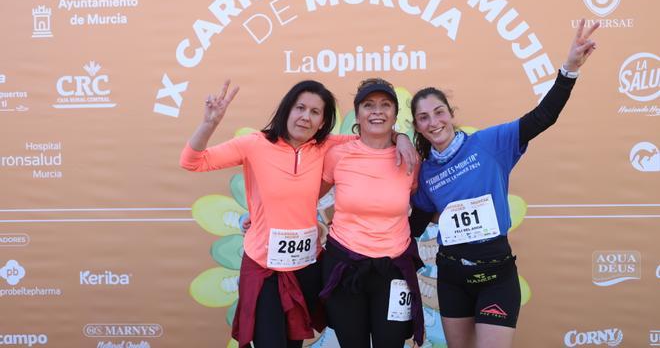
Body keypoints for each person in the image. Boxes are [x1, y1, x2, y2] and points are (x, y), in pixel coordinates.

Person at [179, 79, 416, 348]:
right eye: (300, 108)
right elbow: (192, 161)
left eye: (315, 112)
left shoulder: (325, 146)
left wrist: (402, 137)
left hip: (306, 266)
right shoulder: (254, 144)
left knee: (295, 344)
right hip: (265, 266)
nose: (306, 117)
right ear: (286, 109)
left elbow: (372, 136)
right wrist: (209, 123)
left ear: (322, 121)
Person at [409, 20, 599, 348]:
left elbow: (543, 117)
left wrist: (569, 70)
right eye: (424, 117)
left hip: (496, 276)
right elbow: (412, 224)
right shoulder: (424, 172)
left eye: (439, 112)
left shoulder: (490, 143)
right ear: (418, 126)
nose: (433, 121)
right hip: (452, 277)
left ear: (450, 114)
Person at [319, 78, 425, 348]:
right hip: (344, 266)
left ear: (394, 114)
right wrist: (264, 215)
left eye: (385, 105)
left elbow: (427, 202)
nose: (377, 111)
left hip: (394, 270)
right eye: (369, 105)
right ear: (357, 114)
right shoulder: (338, 155)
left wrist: (401, 137)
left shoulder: (411, 159)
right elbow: (305, 196)